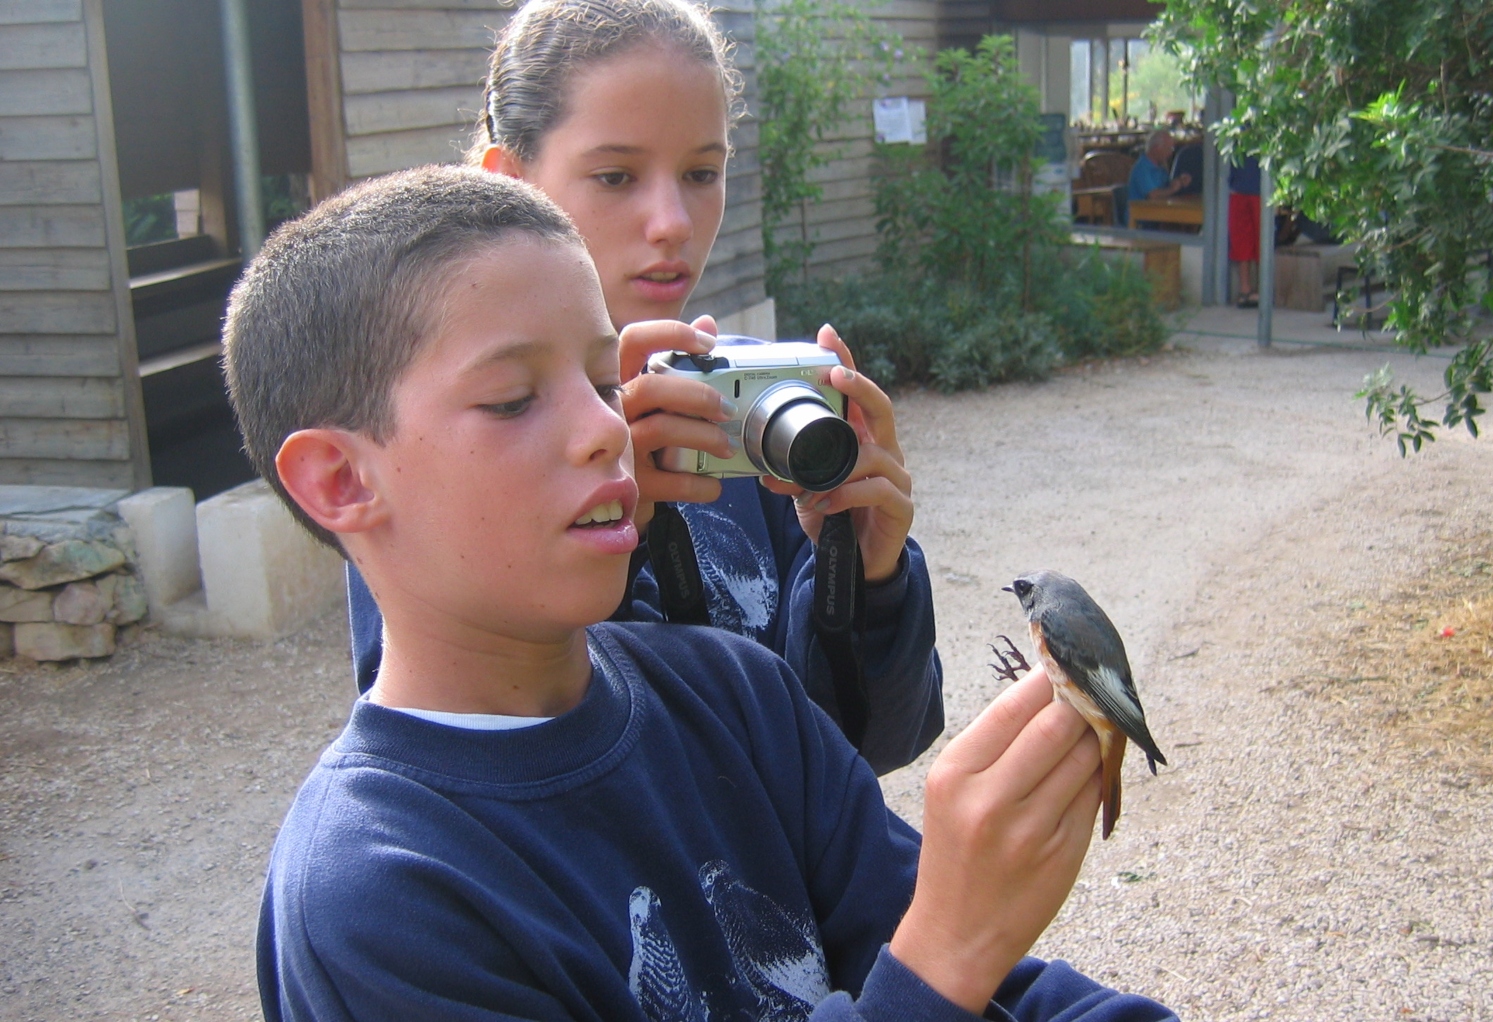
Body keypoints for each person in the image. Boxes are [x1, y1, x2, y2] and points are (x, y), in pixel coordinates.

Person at [234, 161, 1177, 1022]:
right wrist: (942, 960)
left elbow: (1003, 993)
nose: (605, 430)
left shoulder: (737, 694)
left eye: (609, 378)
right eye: (515, 399)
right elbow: (938, 963)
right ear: (341, 482)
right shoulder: (375, 897)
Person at [342, 0, 942, 775]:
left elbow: (864, 749)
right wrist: (599, 522)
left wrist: (867, 575)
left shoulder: (759, 411)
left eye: (702, 172)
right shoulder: (440, 451)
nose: (671, 222)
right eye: (617, 175)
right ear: (510, 183)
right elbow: (453, 773)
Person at [1228, 156, 1261, 308]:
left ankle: (1263, 289)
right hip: (1238, 189)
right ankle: (1245, 289)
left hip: (1262, 188)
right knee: (1241, 239)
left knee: (1262, 240)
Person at [1126, 129, 1191, 203]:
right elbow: (1153, 196)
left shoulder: (1161, 167)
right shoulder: (1141, 168)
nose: (1170, 153)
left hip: (1158, 211)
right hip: (1141, 213)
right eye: (1168, 149)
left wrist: (1179, 182)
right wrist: (1172, 189)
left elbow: (1166, 188)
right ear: (1157, 148)